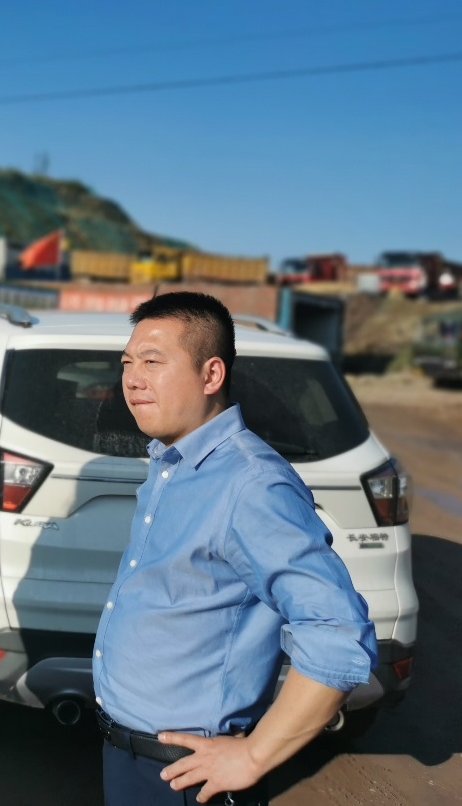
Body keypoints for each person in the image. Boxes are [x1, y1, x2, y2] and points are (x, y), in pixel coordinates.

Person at [92, 292, 376, 806]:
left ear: (211, 374)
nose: (132, 379)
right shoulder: (172, 463)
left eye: (152, 362)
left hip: (185, 779)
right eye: (127, 363)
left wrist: (254, 755)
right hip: (129, 757)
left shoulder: (251, 484)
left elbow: (337, 633)